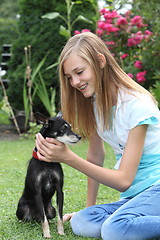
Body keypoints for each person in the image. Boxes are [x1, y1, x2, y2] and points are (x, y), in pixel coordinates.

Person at [36, 32, 160, 240]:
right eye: (69, 77)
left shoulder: (137, 105)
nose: (74, 82)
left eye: (79, 72)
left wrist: (68, 157)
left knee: (115, 230)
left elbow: (124, 180)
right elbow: (95, 157)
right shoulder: (96, 105)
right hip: (135, 197)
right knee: (82, 222)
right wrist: (89, 210)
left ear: (100, 61)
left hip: (156, 188)